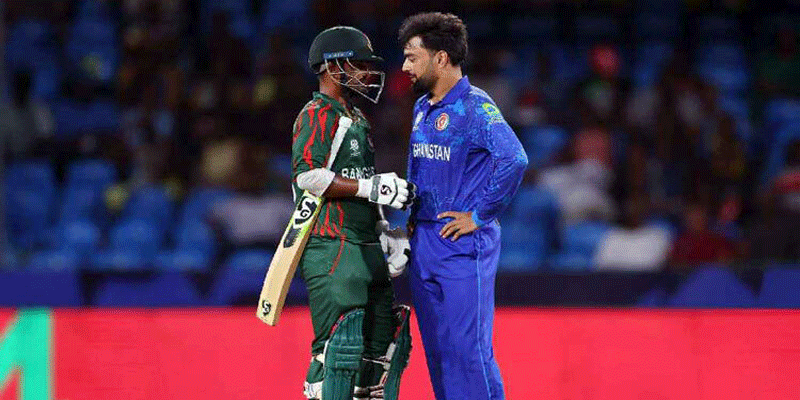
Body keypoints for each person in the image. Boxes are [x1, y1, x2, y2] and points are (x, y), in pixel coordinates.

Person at [398, 12, 528, 400]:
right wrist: (410, 217)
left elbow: (514, 159)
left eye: (412, 57)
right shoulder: (423, 106)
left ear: (440, 58)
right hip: (423, 241)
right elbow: (417, 164)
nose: (404, 67)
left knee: (468, 352)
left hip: (461, 244)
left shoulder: (475, 107)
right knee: (438, 352)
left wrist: (480, 215)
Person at [291, 26, 416, 400]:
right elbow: (308, 177)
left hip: (365, 243)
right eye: (359, 64)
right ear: (333, 66)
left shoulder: (357, 117)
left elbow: (361, 179)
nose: (367, 73)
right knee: (338, 350)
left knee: (383, 351)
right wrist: (370, 187)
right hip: (331, 244)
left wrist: (385, 230)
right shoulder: (316, 114)